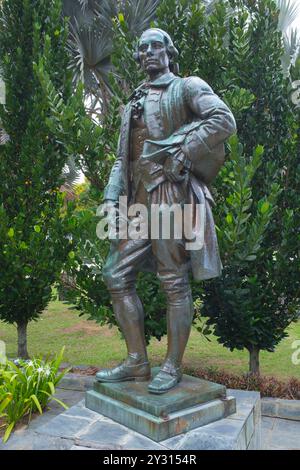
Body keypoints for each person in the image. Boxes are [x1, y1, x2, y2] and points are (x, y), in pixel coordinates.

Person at [96, 28, 236, 394]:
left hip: (169, 195)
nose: (148, 52)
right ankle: (137, 362)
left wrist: (183, 152)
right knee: (115, 274)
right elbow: (121, 157)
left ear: (169, 52)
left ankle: (172, 365)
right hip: (136, 201)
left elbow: (224, 120)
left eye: (156, 46)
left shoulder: (187, 87)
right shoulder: (134, 101)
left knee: (173, 281)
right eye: (142, 48)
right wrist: (112, 196)